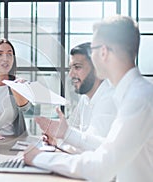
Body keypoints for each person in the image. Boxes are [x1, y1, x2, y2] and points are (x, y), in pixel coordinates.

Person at [24, 15, 153, 182]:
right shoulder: (131, 94)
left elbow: (100, 166)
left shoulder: (138, 99)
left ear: (103, 52)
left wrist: (38, 158)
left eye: (93, 50)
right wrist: (64, 135)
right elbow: (104, 149)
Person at [35, 42, 116, 153]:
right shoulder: (85, 98)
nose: (71, 74)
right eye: (70, 69)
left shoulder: (109, 99)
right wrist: (56, 140)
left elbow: (95, 148)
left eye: (77, 67)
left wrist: (64, 135)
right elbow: (74, 133)